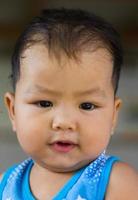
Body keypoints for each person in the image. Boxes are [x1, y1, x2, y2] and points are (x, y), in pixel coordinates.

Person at [0, 8, 138, 200]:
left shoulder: (116, 183)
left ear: (113, 117)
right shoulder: (5, 185)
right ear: (13, 110)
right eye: (44, 103)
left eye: (87, 106)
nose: (64, 122)